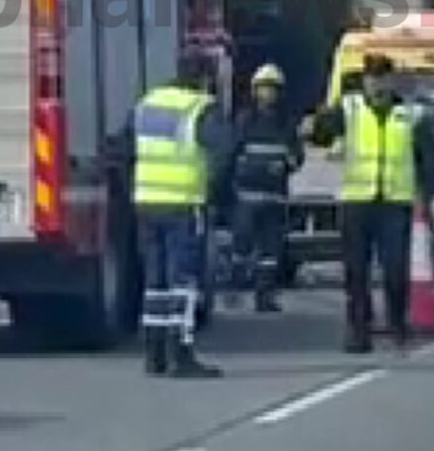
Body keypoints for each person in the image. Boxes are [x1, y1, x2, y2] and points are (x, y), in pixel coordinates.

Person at [307, 52, 434, 353]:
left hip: (394, 203)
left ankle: (397, 323)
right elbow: (322, 134)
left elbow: (432, 160)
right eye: (371, 78)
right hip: (357, 202)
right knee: (356, 271)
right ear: (364, 81)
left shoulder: (410, 115)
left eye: (382, 78)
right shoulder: (350, 109)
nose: (376, 84)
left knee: (395, 270)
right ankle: (359, 331)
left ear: (391, 81)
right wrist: (316, 123)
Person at [123, 55, 235, 378]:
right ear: (203, 79)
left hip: (147, 203)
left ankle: (154, 354)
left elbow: (123, 147)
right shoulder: (201, 108)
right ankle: (180, 353)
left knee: (154, 282)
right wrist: (214, 192)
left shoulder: (147, 105)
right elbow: (224, 151)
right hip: (184, 204)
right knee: (183, 281)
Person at [230, 63, 304, 313]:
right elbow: (232, 151)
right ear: (255, 90)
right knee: (241, 247)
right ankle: (235, 291)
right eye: (263, 88)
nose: (268, 94)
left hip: (275, 196)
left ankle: (265, 297)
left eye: (272, 89)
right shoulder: (244, 120)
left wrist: (285, 165)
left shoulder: (286, 123)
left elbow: (296, 156)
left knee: (270, 253)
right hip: (247, 196)